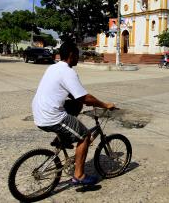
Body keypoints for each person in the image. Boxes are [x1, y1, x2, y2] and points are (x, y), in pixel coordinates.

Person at [32, 41, 116, 186]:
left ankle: (62, 139)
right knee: (85, 136)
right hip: (51, 117)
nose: (79, 57)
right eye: (78, 54)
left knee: (76, 104)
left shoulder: (53, 67)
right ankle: (79, 175)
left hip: (39, 112)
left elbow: (76, 96)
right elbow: (85, 98)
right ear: (72, 55)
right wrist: (104, 104)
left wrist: (83, 100)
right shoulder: (68, 72)